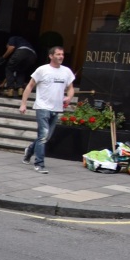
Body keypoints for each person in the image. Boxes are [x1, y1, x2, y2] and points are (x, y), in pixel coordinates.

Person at [18, 46, 75, 175]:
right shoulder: (42, 70)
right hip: (42, 107)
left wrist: (69, 97)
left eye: (62, 54)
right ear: (51, 56)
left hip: (56, 108)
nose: (61, 56)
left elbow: (71, 88)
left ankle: (29, 151)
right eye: (58, 54)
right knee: (43, 136)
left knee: (45, 137)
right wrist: (23, 103)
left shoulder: (66, 72)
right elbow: (30, 86)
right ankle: (39, 164)